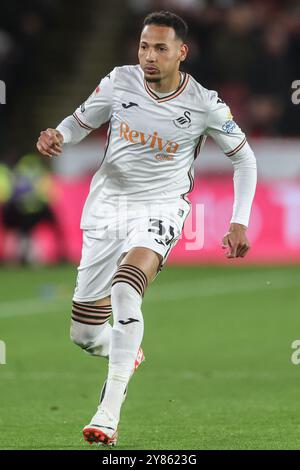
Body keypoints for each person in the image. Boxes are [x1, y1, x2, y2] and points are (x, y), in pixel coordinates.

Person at [36, 10, 257, 446]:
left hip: (161, 207)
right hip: (107, 208)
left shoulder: (205, 103)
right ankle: (126, 349)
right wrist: (57, 135)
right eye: (143, 46)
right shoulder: (120, 81)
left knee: (125, 287)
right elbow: (81, 123)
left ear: (181, 52)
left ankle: (107, 414)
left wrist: (239, 221)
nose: (149, 56)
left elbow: (244, 158)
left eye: (159, 48)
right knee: (83, 332)